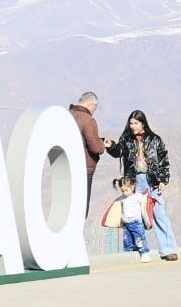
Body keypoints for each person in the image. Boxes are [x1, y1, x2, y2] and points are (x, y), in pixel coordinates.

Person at [105, 109, 177, 261]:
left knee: (159, 214)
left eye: (135, 123)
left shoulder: (155, 139)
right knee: (134, 217)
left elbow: (163, 159)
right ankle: (137, 252)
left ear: (143, 123)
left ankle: (168, 249)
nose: (132, 126)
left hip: (152, 181)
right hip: (134, 182)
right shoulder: (126, 139)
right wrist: (110, 145)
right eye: (131, 123)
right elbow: (119, 151)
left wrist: (163, 180)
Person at [68, 91, 110, 218]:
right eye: (95, 108)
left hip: (66, 166)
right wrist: (103, 145)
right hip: (84, 168)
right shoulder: (87, 120)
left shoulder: (67, 115)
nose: (94, 111)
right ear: (91, 104)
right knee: (81, 208)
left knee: (68, 206)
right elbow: (95, 147)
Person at [106, 175, 153, 263]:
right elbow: (116, 207)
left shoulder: (138, 197)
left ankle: (145, 253)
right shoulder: (122, 199)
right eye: (122, 191)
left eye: (126, 190)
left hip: (136, 224)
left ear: (132, 186)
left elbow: (144, 207)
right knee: (127, 241)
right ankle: (129, 256)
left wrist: (147, 221)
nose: (124, 193)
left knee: (139, 239)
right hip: (126, 224)